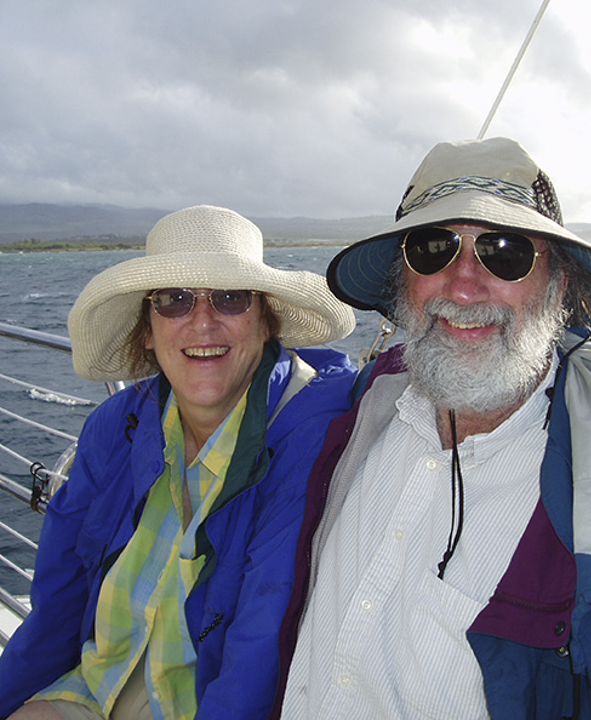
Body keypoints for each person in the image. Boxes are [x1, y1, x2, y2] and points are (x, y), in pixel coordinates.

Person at [272, 138, 591, 719]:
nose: (463, 284)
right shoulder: (361, 410)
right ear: (402, 279)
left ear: (559, 284)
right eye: (432, 249)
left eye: (504, 253)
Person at [0, 205, 357, 720]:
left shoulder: (309, 437)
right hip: (93, 685)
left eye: (231, 298)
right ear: (147, 330)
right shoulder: (114, 429)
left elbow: (259, 646)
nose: (203, 321)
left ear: (266, 323)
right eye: (174, 300)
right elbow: (60, 596)